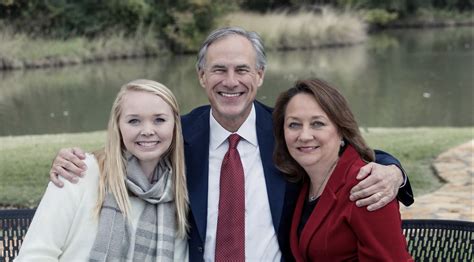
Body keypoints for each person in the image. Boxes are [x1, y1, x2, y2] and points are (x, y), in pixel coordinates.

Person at [48, 27, 413, 261]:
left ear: (260, 75)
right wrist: (73, 160)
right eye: (219, 70)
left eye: (242, 70)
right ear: (202, 77)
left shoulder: (285, 131)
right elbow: (128, 147)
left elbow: (338, 150)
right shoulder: (179, 133)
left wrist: (393, 170)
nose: (231, 81)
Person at [16, 79, 189, 261]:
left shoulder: (177, 191)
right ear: (118, 126)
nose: (147, 130)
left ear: (175, 125)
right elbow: (35, 255)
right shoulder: (79, 172)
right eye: (134, 121)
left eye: (159, 120)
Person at [273, 78, 413, 261]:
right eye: (294, 124)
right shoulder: (301, 182)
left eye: (317, 123)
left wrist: (396, 171)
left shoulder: (368, 187)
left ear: (341, 130)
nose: (304, 136)